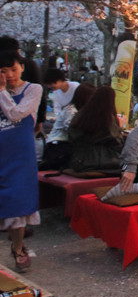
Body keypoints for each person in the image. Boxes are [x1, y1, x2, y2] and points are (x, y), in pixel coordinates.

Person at [0, 51, 43, 271]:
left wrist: (1, 92)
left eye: (13, 69)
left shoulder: (33, 89)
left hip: (20, 155)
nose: (9, 75)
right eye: (3, 71)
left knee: (17, 203)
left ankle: (17, 248)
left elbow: (17, 114)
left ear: (22, 67)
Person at [66, 86, 124, 176]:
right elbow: (116, 142)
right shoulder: (107, 118)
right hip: (102, 162)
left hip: (78, 160)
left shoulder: (80, 115)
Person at [40, 68, 81, 169]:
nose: (51, 86)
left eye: (52, 83)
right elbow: (57, 107)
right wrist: (59, 118)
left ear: (59, 80)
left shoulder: (75, 86)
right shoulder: (57, 93)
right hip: (65, 120)